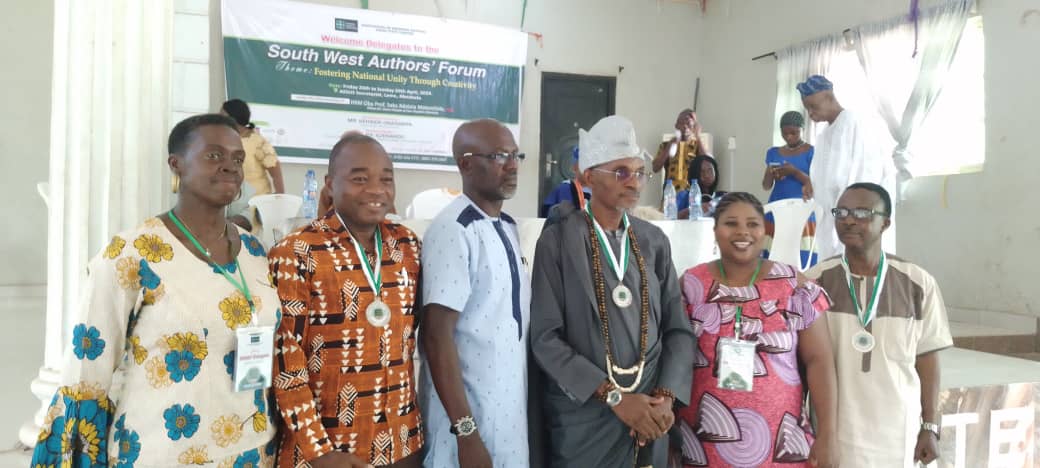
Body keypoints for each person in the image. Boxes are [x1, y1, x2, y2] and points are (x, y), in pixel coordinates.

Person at [31, 114, 279, 467]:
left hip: (254, 450)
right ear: (176, 164)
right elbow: (87, 372)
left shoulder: (254, 251)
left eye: (237, 158)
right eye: (213, 155)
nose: (230, 166)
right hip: (160, 453)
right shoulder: (131, 253)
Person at [531, 115, 695, 467]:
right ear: (588, 177)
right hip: (585, 420)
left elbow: (678, 329)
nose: (634, 182)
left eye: (639, 172)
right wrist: (616, 399)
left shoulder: (653, 241)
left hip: (650, 415)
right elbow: (546, 338)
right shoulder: (559, 241)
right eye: (621, 172)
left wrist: (665, 399)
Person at [268, 133, 423, 468]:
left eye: (386, 179)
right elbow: (286, 360)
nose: (376, 190)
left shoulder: (407, 245)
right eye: (360, 179)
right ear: (330, 184)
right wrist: (319, 451)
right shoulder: (297, 251)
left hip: (401, 441)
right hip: (327, 451)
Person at [673, 192, 839, 468]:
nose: (742, 232)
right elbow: (672, 358)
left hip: (780, 443)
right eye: (731, 223)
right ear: (715, 231)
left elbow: (819, 361)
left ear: (765, 231)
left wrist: (828, 435)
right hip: (700, 442)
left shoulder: (791, 283)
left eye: (752, 224)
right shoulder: (691, 283)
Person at [805, 183, 951, 467]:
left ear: (885, 223)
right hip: (836, 435)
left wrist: (930, 425)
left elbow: (927, 358)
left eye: (862, 212)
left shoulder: (917, 283)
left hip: (898, 434)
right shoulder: (815, 282)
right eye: (841, 212)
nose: (849, 220)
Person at [420, 119, 532, 468]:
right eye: (499, 156)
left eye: (515, 155)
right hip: (466, 425)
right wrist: (466, 433)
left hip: (509, 417)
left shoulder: (508, 227)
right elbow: (436, 337)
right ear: (465, 164)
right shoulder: (455, 230)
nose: (512, 165)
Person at [798, 75, 896, 259]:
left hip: (857, 217)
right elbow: (824, 175)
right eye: (807, 108)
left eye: (813, 106)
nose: (810, 113)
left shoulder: (855, 123)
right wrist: (812, 184)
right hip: (835, 216)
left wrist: (849, 213)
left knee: (858, 266)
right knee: (834, 267)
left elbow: (865, 176)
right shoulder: (824, 135)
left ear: (829, 97)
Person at [762, 110, 817, 266]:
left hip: (802, 208)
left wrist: (794, 172)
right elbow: (766, 186)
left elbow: (814, 185)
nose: (789, 137)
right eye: (785, 133)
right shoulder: (773, 153)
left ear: (802, 129)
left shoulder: (812, 152)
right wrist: (771, 172)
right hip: (776, 207)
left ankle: (802, 278)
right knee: (775, 252)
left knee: (800, 253)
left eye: (794, 133)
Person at [221, 99, 285, 197]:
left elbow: (276, 173)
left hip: (256, 201)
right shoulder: (221, 139)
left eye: (222, 116)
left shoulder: (257, 142)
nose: (218, 120)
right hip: (230, 199)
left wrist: (280, 198)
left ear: (233, 118)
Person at [653, 109, 710, 216]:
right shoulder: (665, 145)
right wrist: (671, 144)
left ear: (694, 127)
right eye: (681, 123)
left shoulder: (698, 145)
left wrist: (698, 137)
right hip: (670, 197)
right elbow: (655, 168)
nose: (685, 126)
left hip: (691, 197)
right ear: (676, 125)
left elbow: (707, 164)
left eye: (689, 123)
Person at [541, 146, 591, 217]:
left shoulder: (602, 190)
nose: (588, 170)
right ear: (574, 167)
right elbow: (547, 213)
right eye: (584, 165)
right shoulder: (564, 189)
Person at [676, 155, 724, 219]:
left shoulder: (722, 197)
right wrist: (692, 209)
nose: (706, 175)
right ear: (694, 174)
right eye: (702, 171)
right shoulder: (684, 196)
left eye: (710, 170)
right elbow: (671, 218)